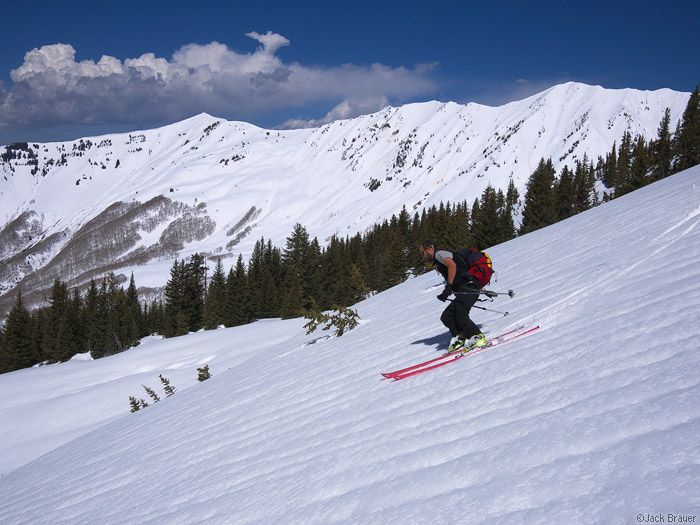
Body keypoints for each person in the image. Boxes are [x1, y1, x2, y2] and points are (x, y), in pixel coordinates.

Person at [419, 240, 487, 353]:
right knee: (447, 316)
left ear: (429, 248)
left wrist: (449, 286)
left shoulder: (439, 254)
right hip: (464, 289)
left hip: (469, 287)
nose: (423, 257)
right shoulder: (438, 259)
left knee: (461, 315)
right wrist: (446, 292)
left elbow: (452, 265)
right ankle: (460, 337)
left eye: (422, 253)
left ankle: (477, 337)